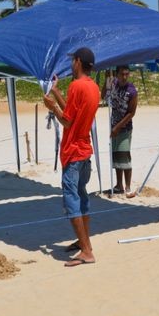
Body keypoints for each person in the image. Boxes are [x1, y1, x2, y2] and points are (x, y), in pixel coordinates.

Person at [43, 47, 100, 267]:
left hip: (74, 151)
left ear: (78, 62)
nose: (71, 64)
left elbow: (67, 121)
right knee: (82, 195)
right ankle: (84, 242)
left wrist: (52, 106)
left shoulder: (77, 86)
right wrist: (57, 93)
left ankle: (86, 251)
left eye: (72, 60)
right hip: (84, 151)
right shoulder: (92, 87)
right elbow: (73, 115)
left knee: (71, 199)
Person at [101, 65, 138, 196]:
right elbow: (103, 95)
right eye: (122, 74)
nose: (124, 77)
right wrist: (106, 82)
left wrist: (118, 127)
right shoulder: (114, 83)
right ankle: (118, 185)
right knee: (116, 156)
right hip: (113, 125)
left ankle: (127, 186)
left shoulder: (132, 91)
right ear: (117, 74)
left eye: (127, 74)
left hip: (124, 128)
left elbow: (131, 113)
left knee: (124, 156)